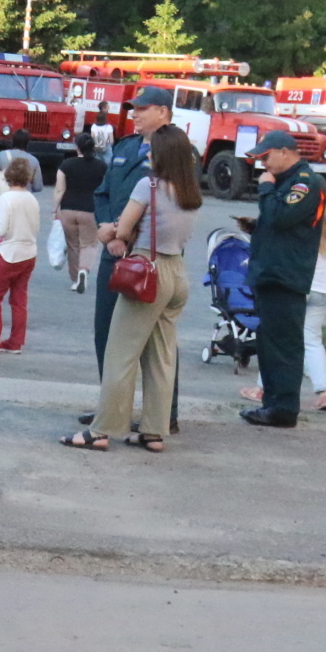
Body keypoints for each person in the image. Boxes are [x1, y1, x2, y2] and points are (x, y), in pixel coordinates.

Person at [64, 125, 203, 452]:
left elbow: (122, 231)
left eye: (152, 150)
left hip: (147, 269)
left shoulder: (149, 185)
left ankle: (101, 430)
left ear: (163, 155)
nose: (148, 155)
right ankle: (155, 430)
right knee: (162, 355)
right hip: (176, 272)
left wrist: (109, 230)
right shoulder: (191, 192)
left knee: (120, 354)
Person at [81, 86, 179, 434]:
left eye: (143, 108)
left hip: (148, 255)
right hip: (115, 250)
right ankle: (110, 408)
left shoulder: (179, 150)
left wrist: (127, 236)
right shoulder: (124, 146)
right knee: (106, 331)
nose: (134, 114)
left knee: (154, 342)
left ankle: (164, 414)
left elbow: (176, 206)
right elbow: (103, 192)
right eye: (132, 108)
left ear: (164, 112)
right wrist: (110, 233)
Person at [240, 130, 325, 428]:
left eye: (267, 157)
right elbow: (277, 223)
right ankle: (271, 403)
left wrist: (266, 190)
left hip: (285, 275)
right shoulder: (285, 182)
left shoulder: (305, 182)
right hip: (271, 273)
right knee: (269, 342)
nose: (264, 165)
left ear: (285, 152)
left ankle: (284, 407)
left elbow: (281, 216)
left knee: (284, 345)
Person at [243, 196, 326, 412]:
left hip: (298, 283)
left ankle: (263, 388)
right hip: (325, 285)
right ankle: (324, 391)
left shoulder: (300, 221)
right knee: (312, 338)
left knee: (277, 336)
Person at [0, 152, 40, 354]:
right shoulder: (32, 199)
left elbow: (1, 229)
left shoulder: (6, 198)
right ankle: (15, 342)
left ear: (7, 176)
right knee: (19, 299)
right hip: (29, 252)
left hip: (8, 253)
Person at [53, 133, 106, 293]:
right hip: (91, 209)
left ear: (77, 147)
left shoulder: (66, 164)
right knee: (89, 243)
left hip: (68, 208)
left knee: (73, 245)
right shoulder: (102, 166)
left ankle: (75, 279)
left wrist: (55, 209)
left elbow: (59, 189)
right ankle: (84, 270)